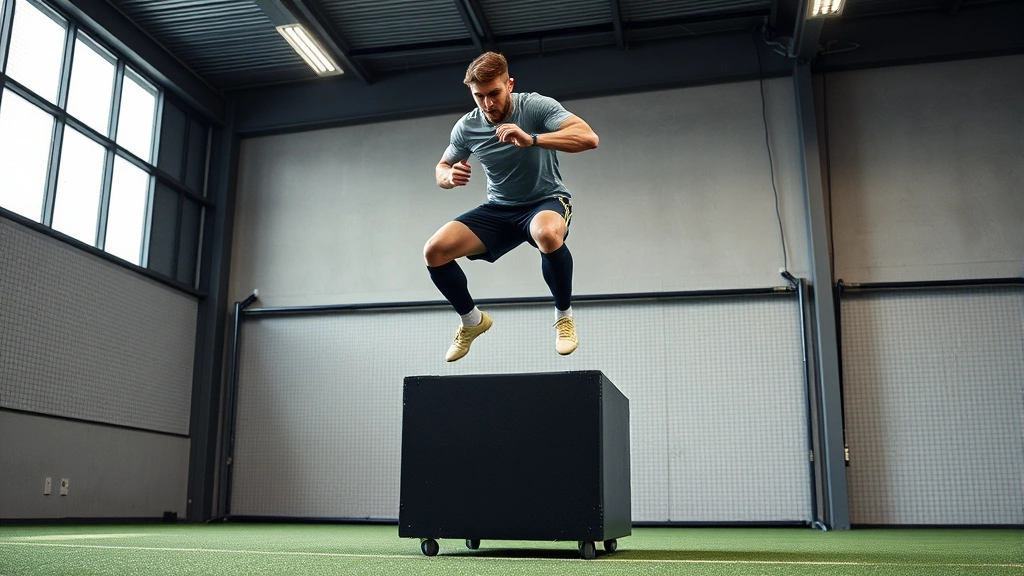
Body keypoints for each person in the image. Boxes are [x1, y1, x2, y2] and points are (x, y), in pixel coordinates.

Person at [424, 52, 599, 362]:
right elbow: (441, 166)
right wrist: (449, 177)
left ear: (509, 85)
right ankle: (472, 321)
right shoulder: (467, 127)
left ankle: (564, 318)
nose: (488, 104)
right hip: (500, 209)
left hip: (545, 201)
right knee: (435, 250)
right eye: (479, 96)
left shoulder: (534, 106)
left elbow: (588, 138)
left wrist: (532, 139)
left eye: (494, 93)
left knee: (547, 234)